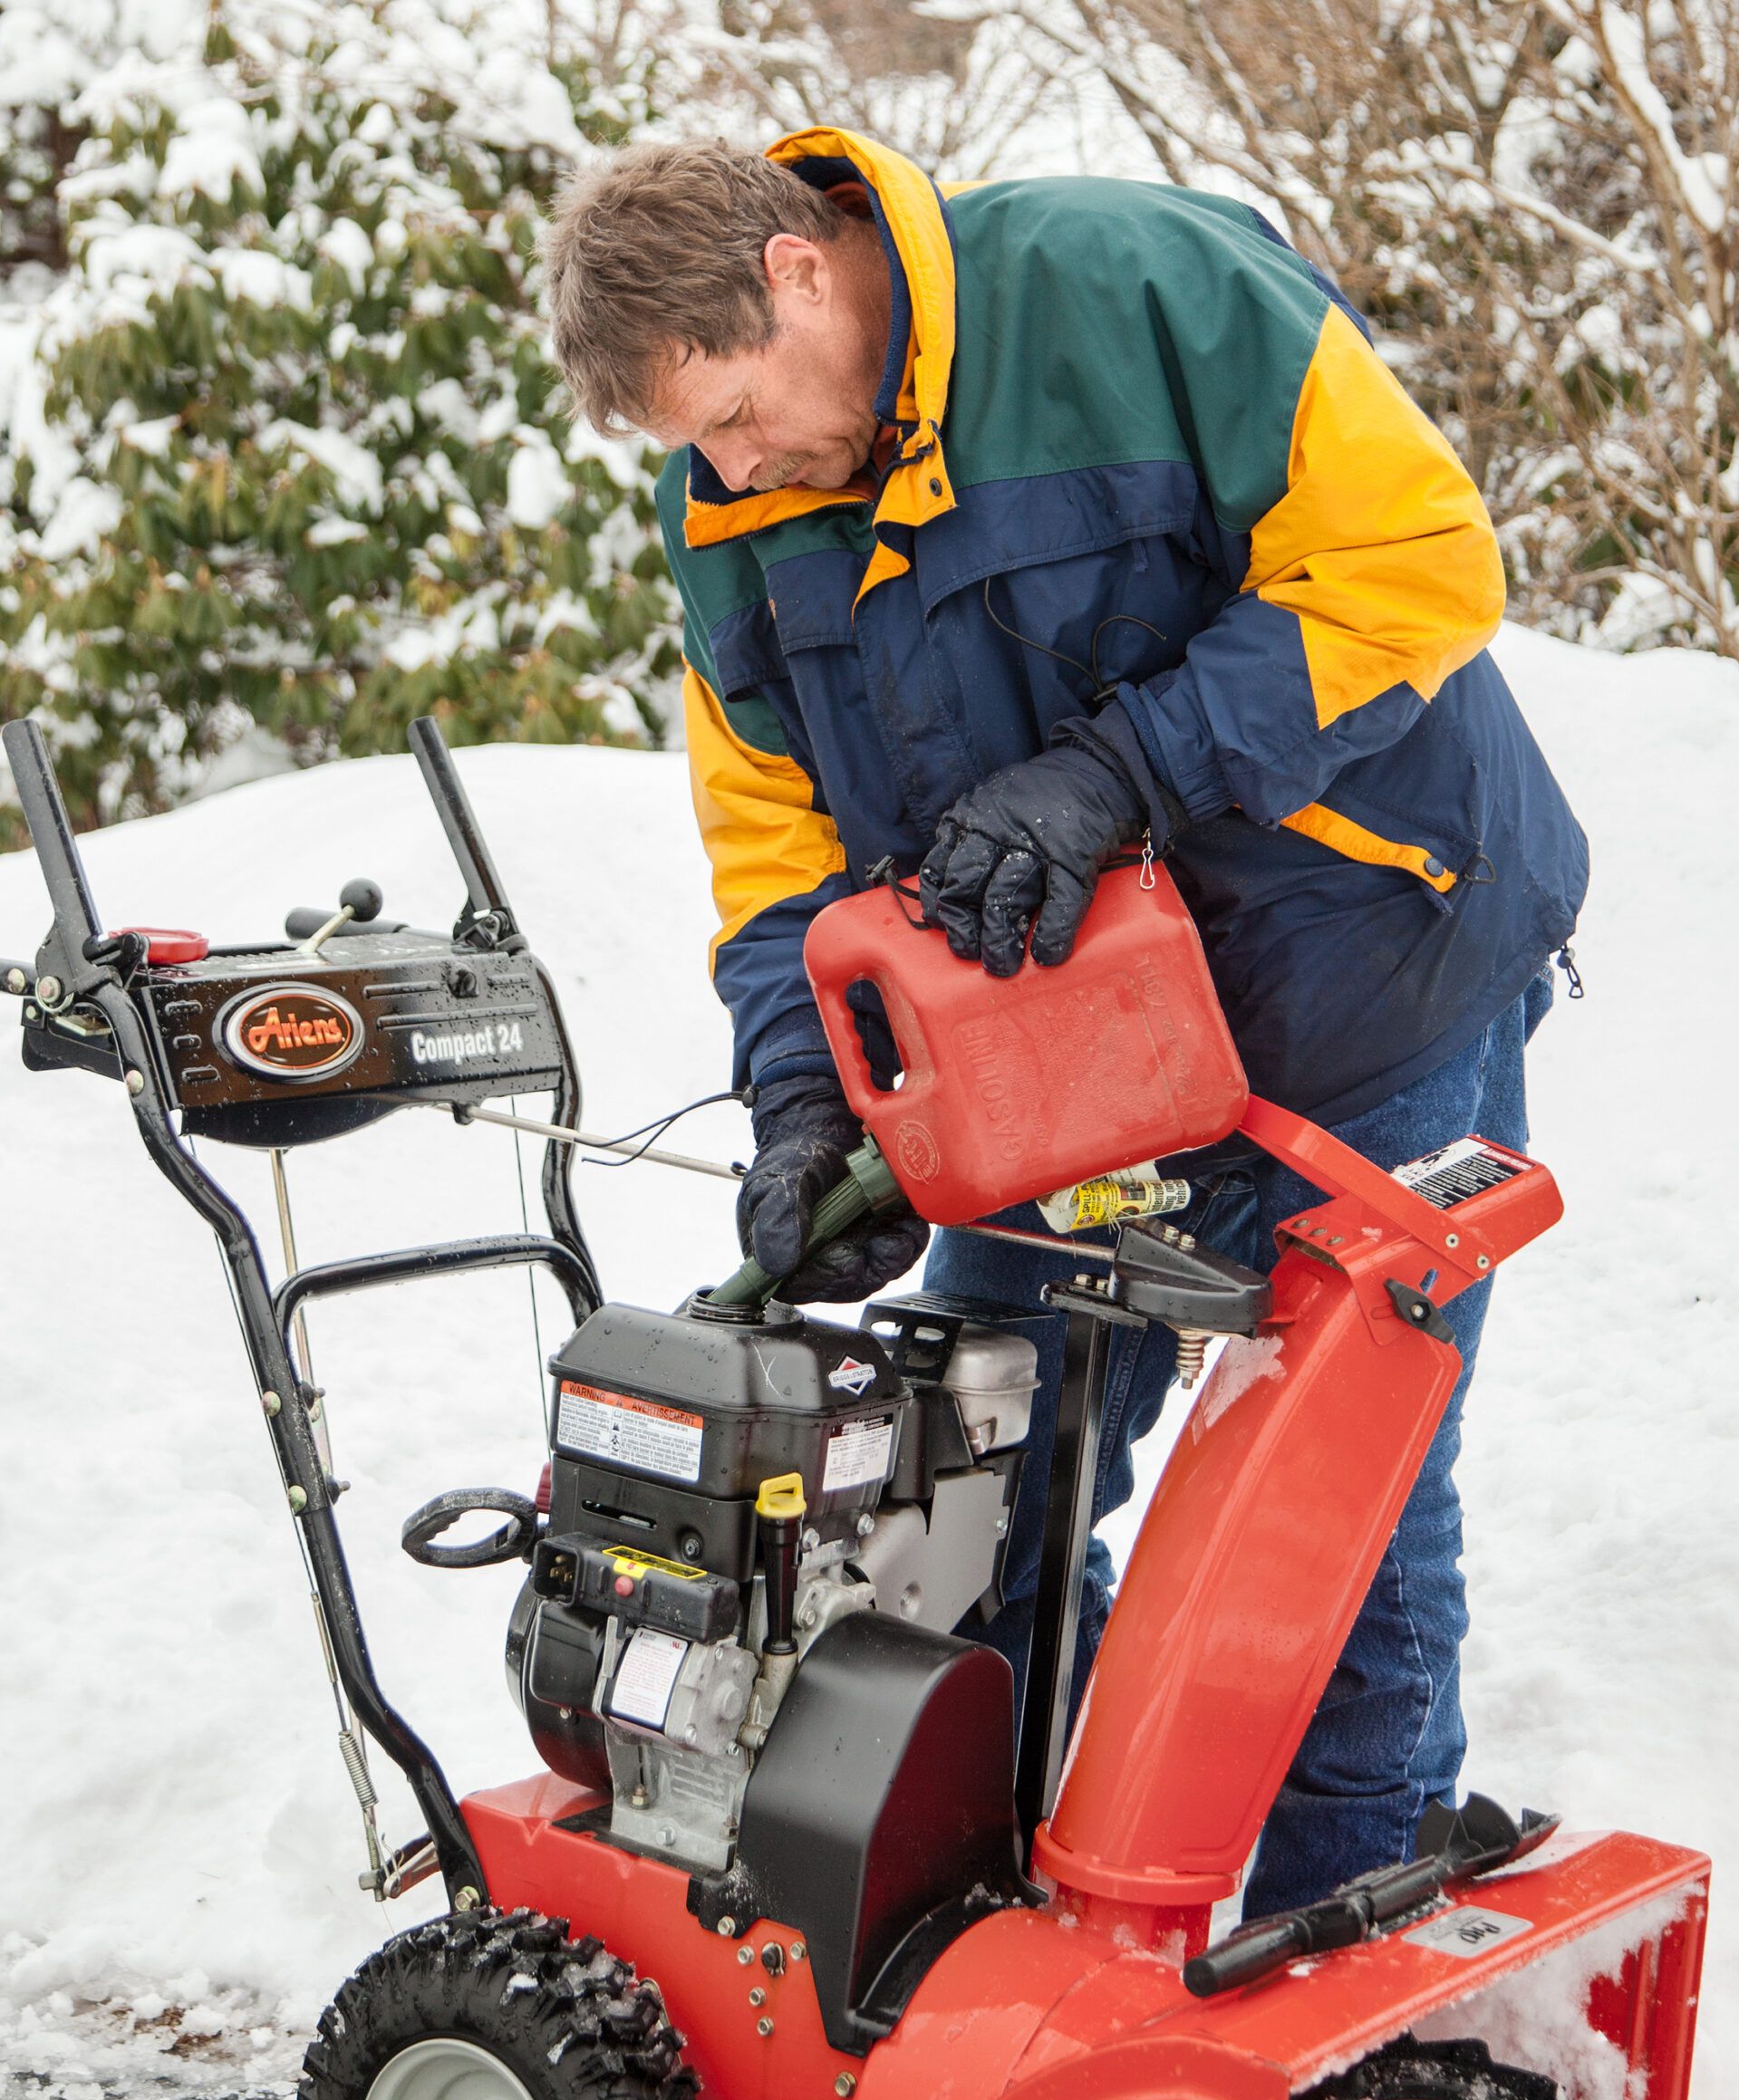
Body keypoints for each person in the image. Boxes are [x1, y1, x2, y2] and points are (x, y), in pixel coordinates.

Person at [541, 130, 1587, 1915]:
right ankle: (978, 1931)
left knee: (1331, 1500)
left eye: (732, 412)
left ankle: (1342, 1934)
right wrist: (807, 1101)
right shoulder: (728, 502)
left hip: (1370, 963)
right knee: (979, 1465)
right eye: (689, 447)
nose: (726, 468)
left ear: (797, 278)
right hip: (1068, 1042)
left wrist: (1123, 769)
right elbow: (776, 843)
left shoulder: (1139, 293)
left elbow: (1420, 562)